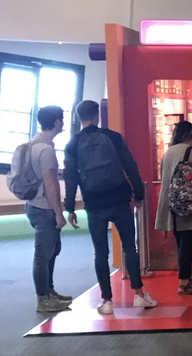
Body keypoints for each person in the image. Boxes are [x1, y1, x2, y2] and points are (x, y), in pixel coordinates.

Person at [64, 100, 157, 316]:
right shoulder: (113, 137)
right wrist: (139, 193)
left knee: (100, 252)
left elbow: (70, 177)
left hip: (94, 204)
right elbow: (129, 165)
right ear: (97, 115)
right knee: (129, 248)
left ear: (80, 118)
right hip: (119, 200)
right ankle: (139, 294)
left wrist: (69, 207)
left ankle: (107, 301)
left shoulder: (73, 144)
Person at [22, 105, 73, 313]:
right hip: (44, 207)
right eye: (61, 119)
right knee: (43, 254)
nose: (62, 123)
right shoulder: (46, 150)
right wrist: (59, 212)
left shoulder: (33, 144)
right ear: (56, 122)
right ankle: (43, 297)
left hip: (34, 204)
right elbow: (51, 183)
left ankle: (49, 292)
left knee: (49, 252)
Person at [155, 120, 192, 295]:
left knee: (181, 243)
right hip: (189, 205)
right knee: (188, 244)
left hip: (173, 205)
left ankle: (185, 278)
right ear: (190, 134)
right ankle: (184, 281)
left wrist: (162, 214)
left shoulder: (168, 153)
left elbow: (166, 184)